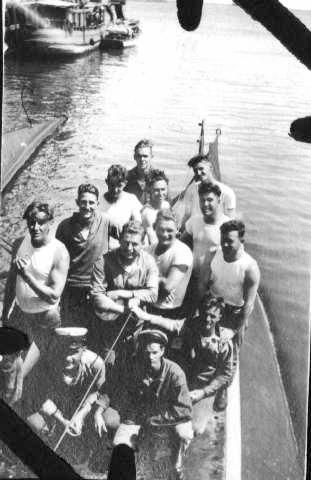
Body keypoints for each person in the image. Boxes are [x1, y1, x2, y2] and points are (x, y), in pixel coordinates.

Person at [96, 329, 193, 479]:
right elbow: (112, 386)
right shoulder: (133, 366)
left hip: (166, 420)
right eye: (146, 353)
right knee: (119, 446)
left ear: (162, 351)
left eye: (154, 352)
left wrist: (155, 420)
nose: (150, 357)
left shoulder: (175, 373)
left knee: (184, 433)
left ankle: (178, 466)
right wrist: (98, 410)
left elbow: (184, 410)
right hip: (136, 418)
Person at [26, 327, 117, 463]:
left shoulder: (96, 364)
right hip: (55, 409)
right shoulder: (47, 362)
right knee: (34, 423)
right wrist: (63, 421)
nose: (68, 358)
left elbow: (99, 393)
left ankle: (99, 453)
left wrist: (81, 414)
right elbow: (40, 396)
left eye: (74, 352)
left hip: (85, 408)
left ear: (83, 349)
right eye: (64, 351)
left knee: (110, 420)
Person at [1, 201, 69, 378]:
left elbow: (53, 297)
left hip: (45, 318)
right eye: (31, 222)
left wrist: (27, 277)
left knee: (30, 372)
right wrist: (5, 315)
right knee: (9, 364)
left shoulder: (59, 252)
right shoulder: (19, 244)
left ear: (50, 223)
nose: (35, 227)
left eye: (40, 222)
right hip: (20, 313)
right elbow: (10, 283)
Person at [90, 220, 158, 360]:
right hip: (108, 328)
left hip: (137, 329)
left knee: (132, 365)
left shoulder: (149, 262)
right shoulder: (104, 261)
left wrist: (122, 293)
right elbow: (97, 297)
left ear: (143, 243)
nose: (129, 248)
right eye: (126, 242)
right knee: (108, 363)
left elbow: (153, 294)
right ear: (119, 239)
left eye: (135, 244)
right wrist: (125, 311)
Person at [56, 184, 110, 331]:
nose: (87, 206)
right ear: (77, 202)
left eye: (91, 203)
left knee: (95, 331)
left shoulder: (106, 222)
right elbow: (56, 261)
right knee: (70, 330)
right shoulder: (64, 226)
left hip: (97, 287)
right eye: (83, 202)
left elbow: (128, 236)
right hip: (71, 287)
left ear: (98, 204)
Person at [183, 295, 237, 433]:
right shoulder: (192, 326)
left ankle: (220, 392)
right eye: (205, 314)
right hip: (188, 379)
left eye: (213, 316)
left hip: (206, 385)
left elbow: (224, 374)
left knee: (195, 428)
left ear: (219, 318)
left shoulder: (223, 343)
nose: (207, 319)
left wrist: (203, 392)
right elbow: (171, 324)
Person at [209, 220, 260, 347]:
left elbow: (248, 305)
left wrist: (234, 330)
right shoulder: (216, 253)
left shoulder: (249, 268)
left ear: (242, 241)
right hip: (213, 305)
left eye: (230, 241)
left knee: (231, 352)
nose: (225, 245)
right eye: (222, 240)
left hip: (234, 312)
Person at [181, 182, 229, 302]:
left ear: (219, 200)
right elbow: (181, 244)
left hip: (213, 284)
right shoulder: (194, 221)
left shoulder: (228, 227)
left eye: (210, 200)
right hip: (193, 278)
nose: (205, 204)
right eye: (202, 200)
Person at [146, 209, 193, 319]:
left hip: (170, 311)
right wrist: (161, 281)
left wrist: (146, 279)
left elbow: (167, 287)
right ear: (154, 227)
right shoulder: (148, 250)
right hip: (147, 304)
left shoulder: (182, 251)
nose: (164, 234)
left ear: (177, 229)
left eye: (169, 230)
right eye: (161, 229)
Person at [177, 153, 236, 228]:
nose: (198, 173)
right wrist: (182, 231)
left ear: (211, 168)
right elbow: (187, 215)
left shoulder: (227, 193)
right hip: (195, 232)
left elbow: (231, 221)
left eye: (201, 169)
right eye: (195, 170)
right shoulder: (191, 190)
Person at [101, 164, 142, 249]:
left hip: (125, 248)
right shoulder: (98, 203)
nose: (115, 190)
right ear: (106, 182)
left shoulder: (131, 199)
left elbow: (139, 225)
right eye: (112, 185)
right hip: (104, 248)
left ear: (125, 184)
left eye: (119, 185)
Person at [0, 327, 30, 408]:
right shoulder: (19, 336)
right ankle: (9, 391)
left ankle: (9, 391)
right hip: (10, 350)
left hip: (9, 355)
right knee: (11, 371)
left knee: (10, 370)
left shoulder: (10, 351)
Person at [141, 169, 170, 245]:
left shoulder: (166, 204)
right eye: (156, 190)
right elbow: (153, 241)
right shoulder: (147, 213)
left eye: (163, 189)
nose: (161, 193)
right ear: (149, 190)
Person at [125, 139, 155, 204]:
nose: (142, 159)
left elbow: (168, 204)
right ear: (134, 157)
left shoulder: (158, 178)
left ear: (151, 157)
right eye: (139, 156)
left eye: (145, 156)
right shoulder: (126, 178)